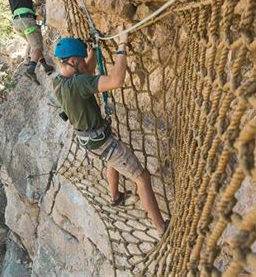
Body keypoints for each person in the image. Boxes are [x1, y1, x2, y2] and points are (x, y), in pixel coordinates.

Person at [52, 33, 169, 235]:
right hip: (102, 141)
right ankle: (161, 228)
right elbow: (116, 81)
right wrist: (122, 45)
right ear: (72, 61)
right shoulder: (79, 83)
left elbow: (86, 70)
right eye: (79, 61)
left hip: (87, 140)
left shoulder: (58, 81)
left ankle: (115, 197)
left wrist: (93, 51)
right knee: (142, 177)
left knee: (111, 161)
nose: (83, 65)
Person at [6, 0, 54, 84]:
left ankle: (46, 66)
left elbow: (21, 4)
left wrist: (35, 5)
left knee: (34, 44)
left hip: (17, 23)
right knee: (37, 46)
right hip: (26, 20)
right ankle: (31, 70)